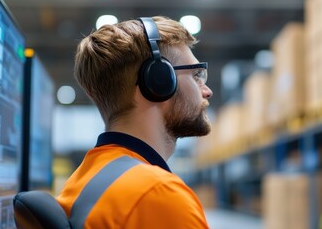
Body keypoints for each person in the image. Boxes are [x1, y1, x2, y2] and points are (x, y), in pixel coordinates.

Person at [56, 16, 213, 228]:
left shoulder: (81, 181)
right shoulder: (159, 195)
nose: (207, 91)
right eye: (196, 75)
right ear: (159, 81)